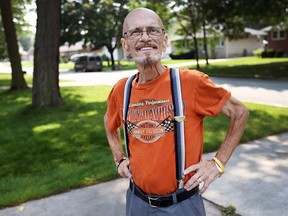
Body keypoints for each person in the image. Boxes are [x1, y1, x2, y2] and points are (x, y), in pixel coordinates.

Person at [104, 7, 249, 216]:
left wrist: (218, 163)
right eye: (135, 32)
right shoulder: (121, 90)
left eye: (152, 30)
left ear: (164, 41)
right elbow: (109, 123)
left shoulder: (191, 82)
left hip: (182, 205)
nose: (145, 37)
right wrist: (119, 157)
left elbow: (239, 112)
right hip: (137, 202)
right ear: (125, 45)